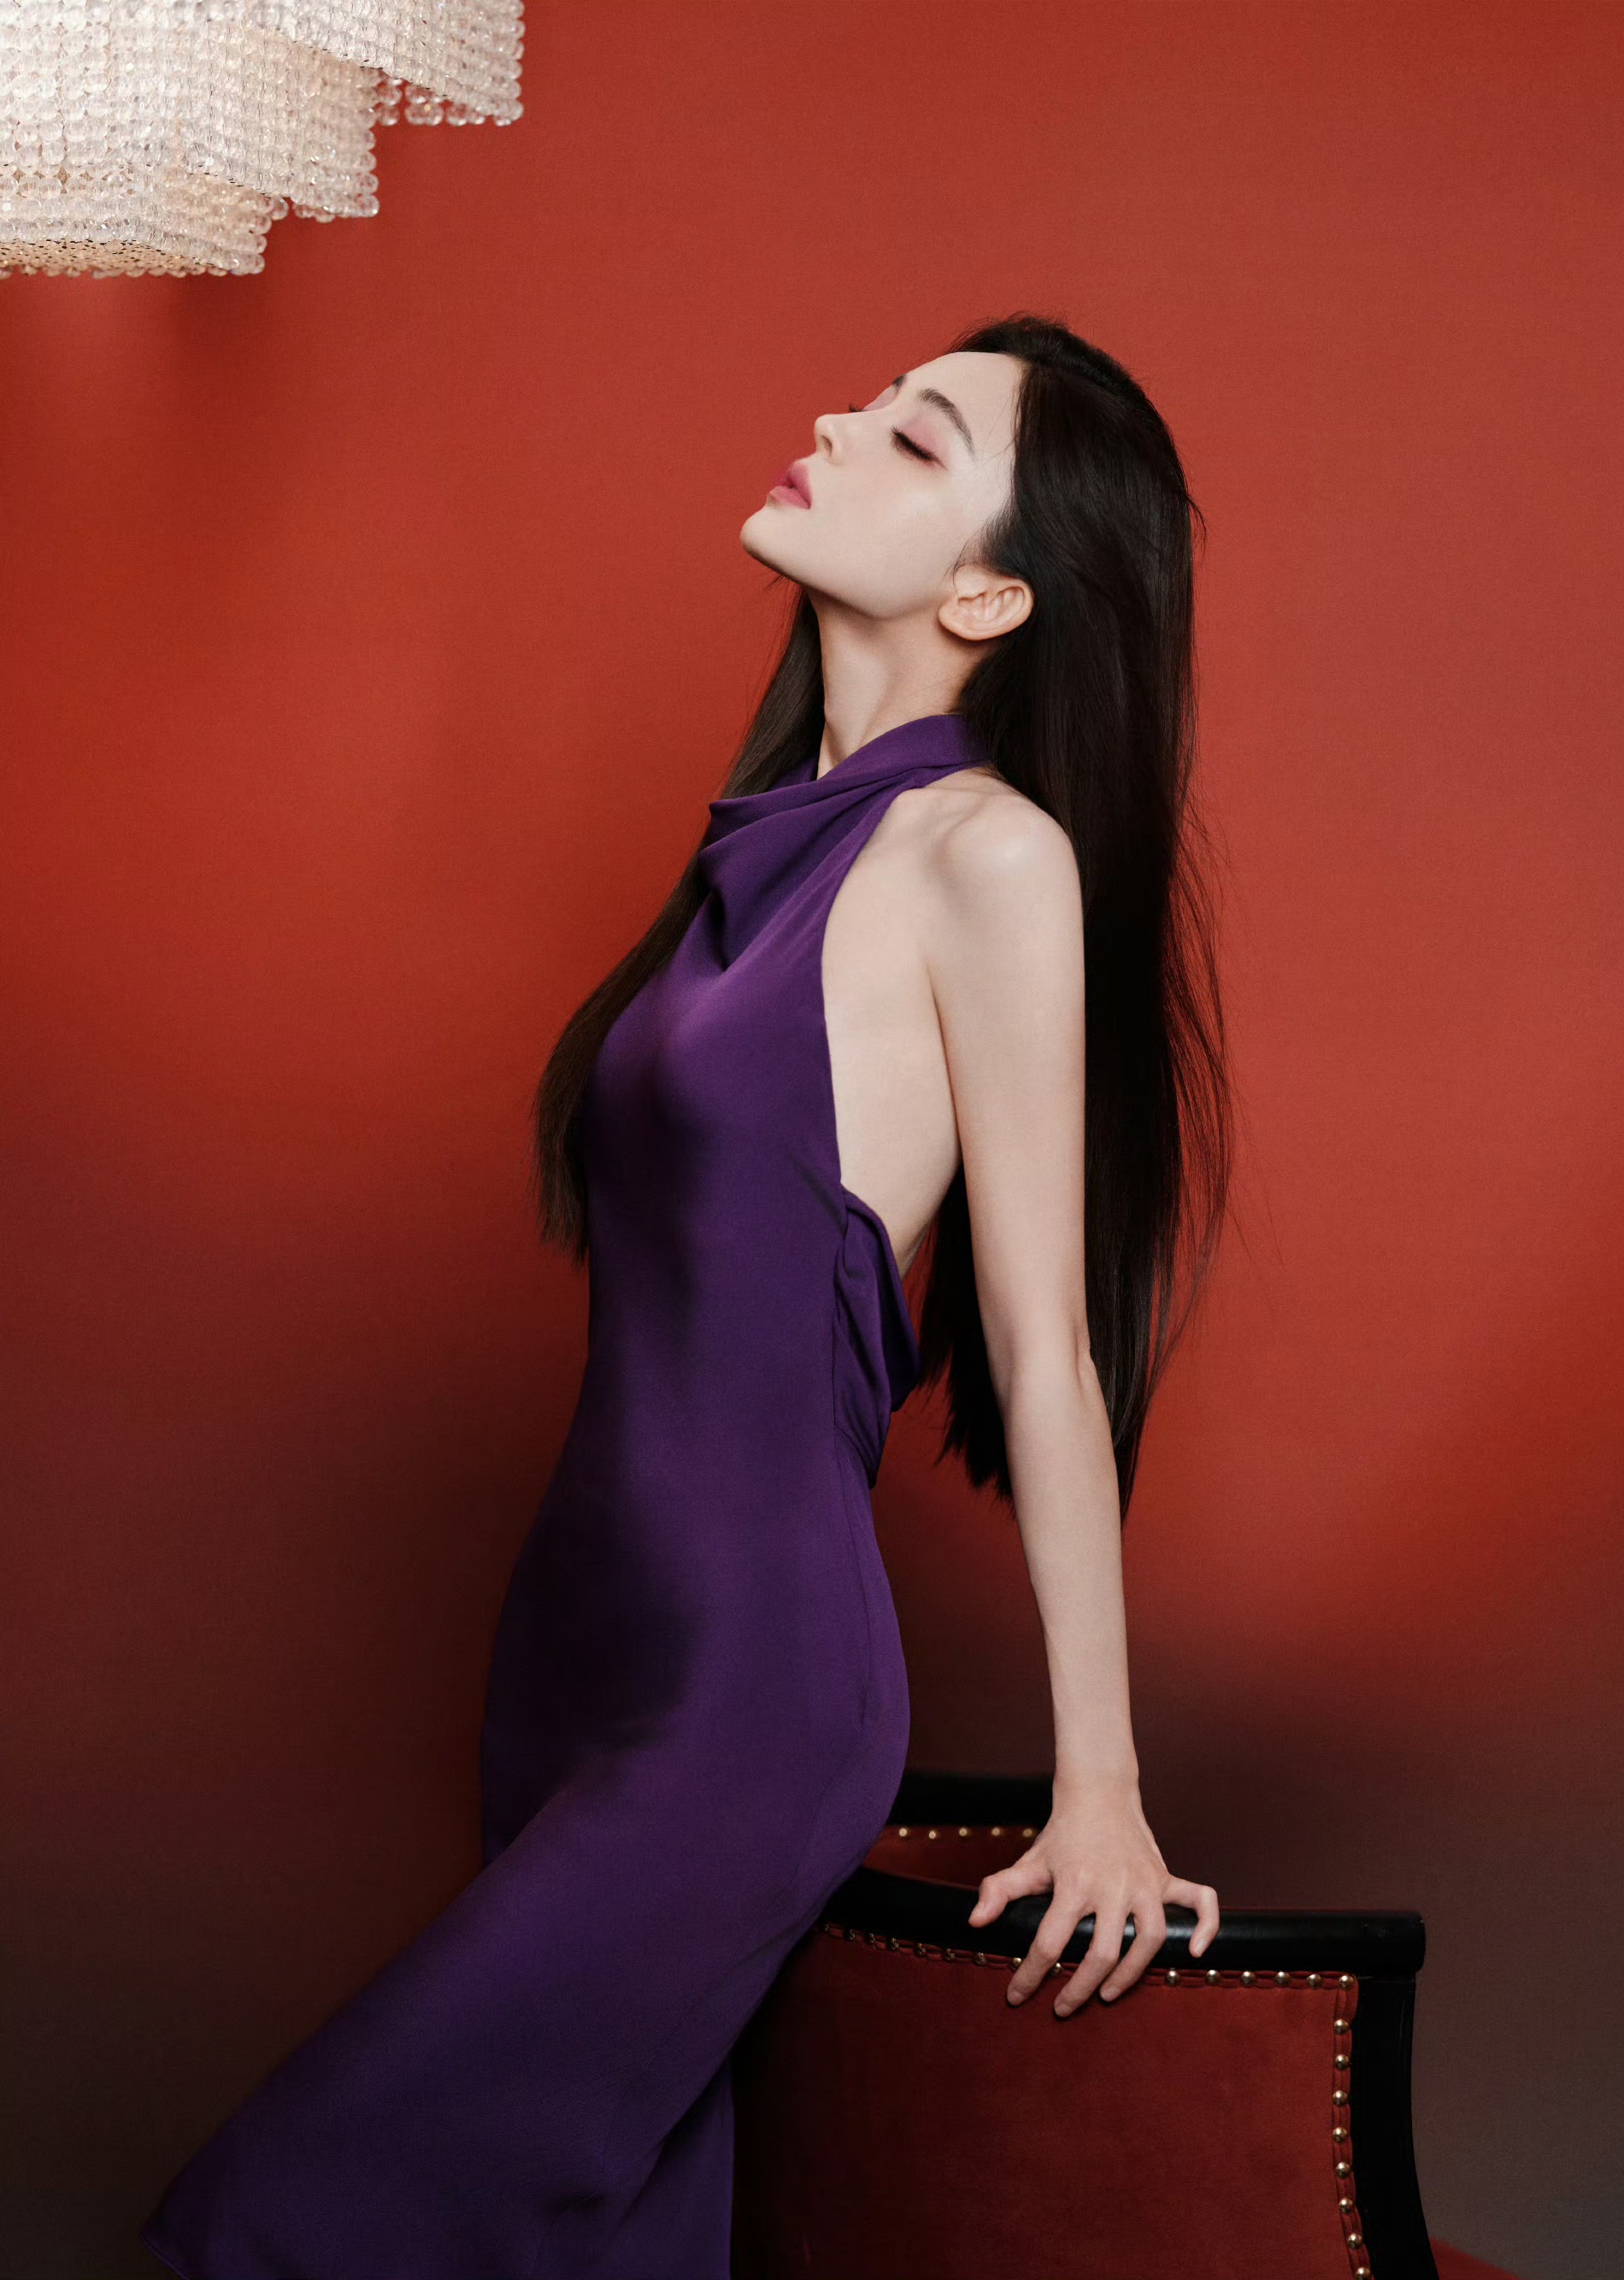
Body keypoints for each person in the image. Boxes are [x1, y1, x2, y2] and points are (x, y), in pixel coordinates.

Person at [143, 313, 1231, 2280]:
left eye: (914, 437)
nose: (835, 420)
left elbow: (1044, 1346)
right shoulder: (761, 852)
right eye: (871, 400)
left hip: (745, 1698)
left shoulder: (987, 856)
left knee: (292, 2213)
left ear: (991, 592)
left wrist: (1104, 1786)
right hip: (575, 1649)